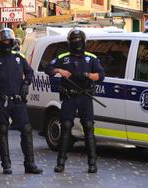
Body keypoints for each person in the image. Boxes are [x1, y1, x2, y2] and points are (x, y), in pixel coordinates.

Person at [0, 28, 43, 175]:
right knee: (2, 131)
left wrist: (26, 84)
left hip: (18, 100)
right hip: (1, 101)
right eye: (4, 40)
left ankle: (30, 164)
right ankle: (6, 164)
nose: (6, 42)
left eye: (8, 40)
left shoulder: (19, 57)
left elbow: (30, 72)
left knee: (26, 130)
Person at [45, 29, 105, 173]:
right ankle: (61, 162)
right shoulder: (64, 57)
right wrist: (59, 70)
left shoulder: (91, 58)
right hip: (69, 97)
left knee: (88, 128)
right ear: (69, 42)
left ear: (83, 42)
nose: (76, 43)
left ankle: (92, 162)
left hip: (85, 97)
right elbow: (48, 68)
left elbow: (101, 75)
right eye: (74, 41)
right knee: (65, 127)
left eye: (79, 40)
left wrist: (88, 75)